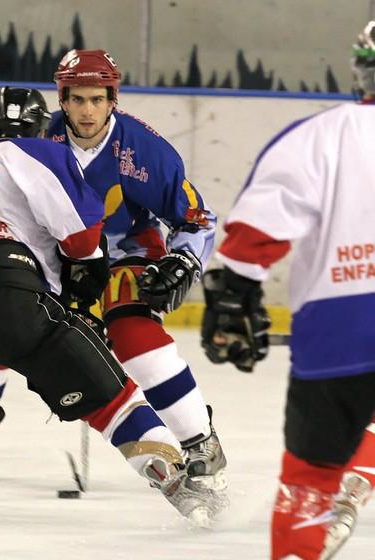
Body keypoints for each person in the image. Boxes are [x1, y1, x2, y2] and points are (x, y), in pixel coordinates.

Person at [0, 86, 222, 525]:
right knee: (112, 401)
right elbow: (81, 240)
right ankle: (178, 484)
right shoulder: (44, 154)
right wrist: (82, 287)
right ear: (44, 125)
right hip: (17, 303)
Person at [200, 20, 375, 559]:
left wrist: (235, 298)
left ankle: (313, 521)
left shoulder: (323, 135)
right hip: (338, 334)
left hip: (338, 334)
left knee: (307, 481)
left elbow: (257, 231)